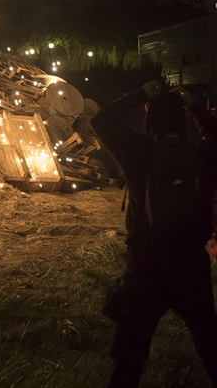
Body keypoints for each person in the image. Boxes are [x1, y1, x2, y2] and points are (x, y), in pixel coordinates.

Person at [91, 81, 217, 387]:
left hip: (145, 268)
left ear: (149, 117)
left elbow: (100, 120)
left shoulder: (139, 152)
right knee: (212, 348)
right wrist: (196, 107)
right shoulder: (203, 155)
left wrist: (139, 93)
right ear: (183, 120)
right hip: (192, 266)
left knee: (128, 361)